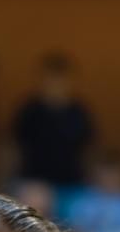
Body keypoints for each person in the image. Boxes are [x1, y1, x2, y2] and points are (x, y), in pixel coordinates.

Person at [12, 53, 95, 189]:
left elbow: (89, 150)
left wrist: (91, 180)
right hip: (33, 184)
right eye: (50, 80)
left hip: (72, 183)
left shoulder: (79, 112)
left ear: (70, 81)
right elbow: (13, 148)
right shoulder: (29, 110)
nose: (55, 86)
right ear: (41, 81)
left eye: (60, 81)